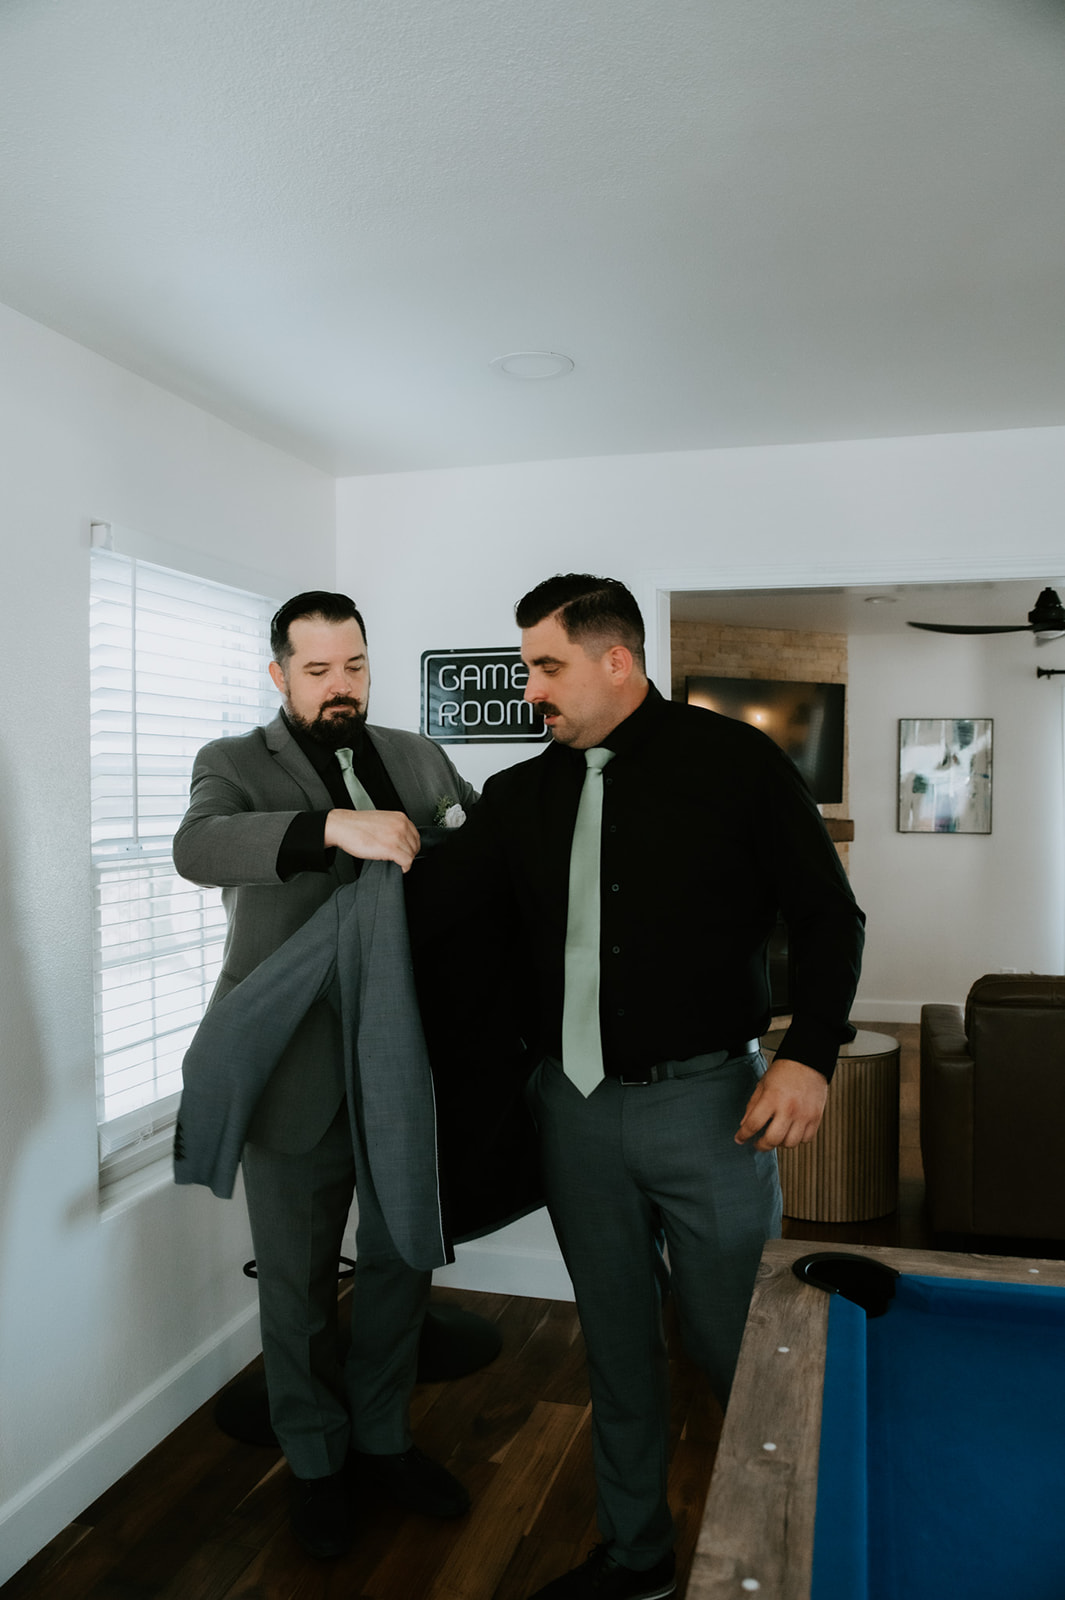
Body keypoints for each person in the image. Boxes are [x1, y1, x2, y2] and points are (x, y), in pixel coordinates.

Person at [408, 574, 865, 1600]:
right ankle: (636, 1558)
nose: (530, 689)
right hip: (569, 1113)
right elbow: (431, 911)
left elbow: (829, 917)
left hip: (711, 1110)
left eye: (546, 667)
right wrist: (342, 842)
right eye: (527, 668)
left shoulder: (738, 764)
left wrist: (810, 1055)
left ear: (617, 661)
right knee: (615, 1346)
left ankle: (806, 1549)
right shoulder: (520, 796)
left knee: (737, 1341)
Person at [172, 591, 477, 1560]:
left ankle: (383, 1439)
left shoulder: (419, 757)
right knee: (296, 1284)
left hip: (406, 1064)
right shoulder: (232, 763)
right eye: (316, 671)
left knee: (400, 1262)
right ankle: (313, 1462)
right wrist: (333, 829)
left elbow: (480, 857)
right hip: (293, 1070)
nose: (339, 686)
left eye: (354, 666)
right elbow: (197, 848)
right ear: (279, 675)